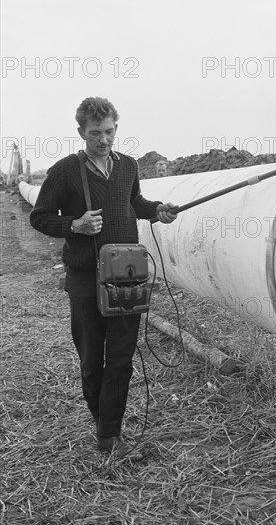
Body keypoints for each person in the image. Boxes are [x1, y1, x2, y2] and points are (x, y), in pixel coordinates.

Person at [30, 97, 177, 458]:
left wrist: (157, 211)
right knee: (91, 361)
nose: (104, 139)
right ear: (81, 132)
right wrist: (74, 225)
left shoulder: (127, 166)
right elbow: (40, 217)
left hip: (125, 276)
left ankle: (109, 437)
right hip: (84, 278)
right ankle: (103, 423)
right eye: (95, 133)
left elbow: (134, 202)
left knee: (122, 359)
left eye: (109, 132)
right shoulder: (65, 171)